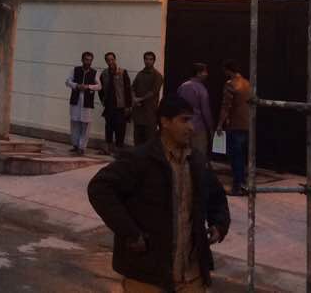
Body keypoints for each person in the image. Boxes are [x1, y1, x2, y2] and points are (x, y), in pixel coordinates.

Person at [88, 95, 231, 292]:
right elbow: (99, 188)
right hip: (148, 277)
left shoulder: (197, 161)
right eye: (184, 120)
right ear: (165, 121)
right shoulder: (140, 159)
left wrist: (219, 225)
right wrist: (130, 232)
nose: (191, 127)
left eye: (192, 120)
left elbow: (217, 197)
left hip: (192, 276)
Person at [216, 59, 251, 196]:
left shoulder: (230, 84)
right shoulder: (247, 83)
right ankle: (243, 184)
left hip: (235, 124)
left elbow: (226, 106)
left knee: (235, 157)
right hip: (246, 124)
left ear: (227, 70)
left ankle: (237, 187)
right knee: (241, 157)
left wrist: (220, 124)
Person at [66, 51, 101, 155]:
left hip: (87, 102)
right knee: (74, 123)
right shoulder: (75, 70)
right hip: (75, 101)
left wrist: (88, 86)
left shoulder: (95, 72)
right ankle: (75, 145)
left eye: (90, 60)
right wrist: (76, 85)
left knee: (85, 125)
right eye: (86, 59)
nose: (88, 62)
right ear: (82, 60)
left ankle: (82, 147)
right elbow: (68, 82)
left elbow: (99, 86)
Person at [176, 63, 214, 159]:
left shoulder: (182, 86)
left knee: (183, 156)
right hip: (198, 127)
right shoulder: (201, 89)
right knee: (199, 156)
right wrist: (210, 128)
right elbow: (205, 111)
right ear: (198, 73)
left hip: (182, 126)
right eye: (205, 72)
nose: (207, 74)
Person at [100, 51, 134, 154]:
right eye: (108, 60)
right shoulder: (104, 74)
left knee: (120, 127)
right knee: (109, 127)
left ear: (115, 59)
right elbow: (100, 89)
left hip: (121, 105)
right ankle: (108, 148)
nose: (110, 62)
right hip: (109, 106)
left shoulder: (122, 72)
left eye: (112, 59)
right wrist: (103, 101)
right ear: (106, 61)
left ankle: (119, 148)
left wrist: (128, 105)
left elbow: (128, 89)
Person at [131, 51, 164, 145]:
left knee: (149, 142)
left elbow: (153, 92)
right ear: (144, 60)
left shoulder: (157, 75)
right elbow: (132, 87)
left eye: (150, 59)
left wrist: (139, 99)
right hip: (138, 113)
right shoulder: (140, 74)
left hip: (150, 114)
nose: (148, 61)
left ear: (154, 61)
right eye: (146, 59)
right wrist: (134, 98)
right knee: (137, 141)